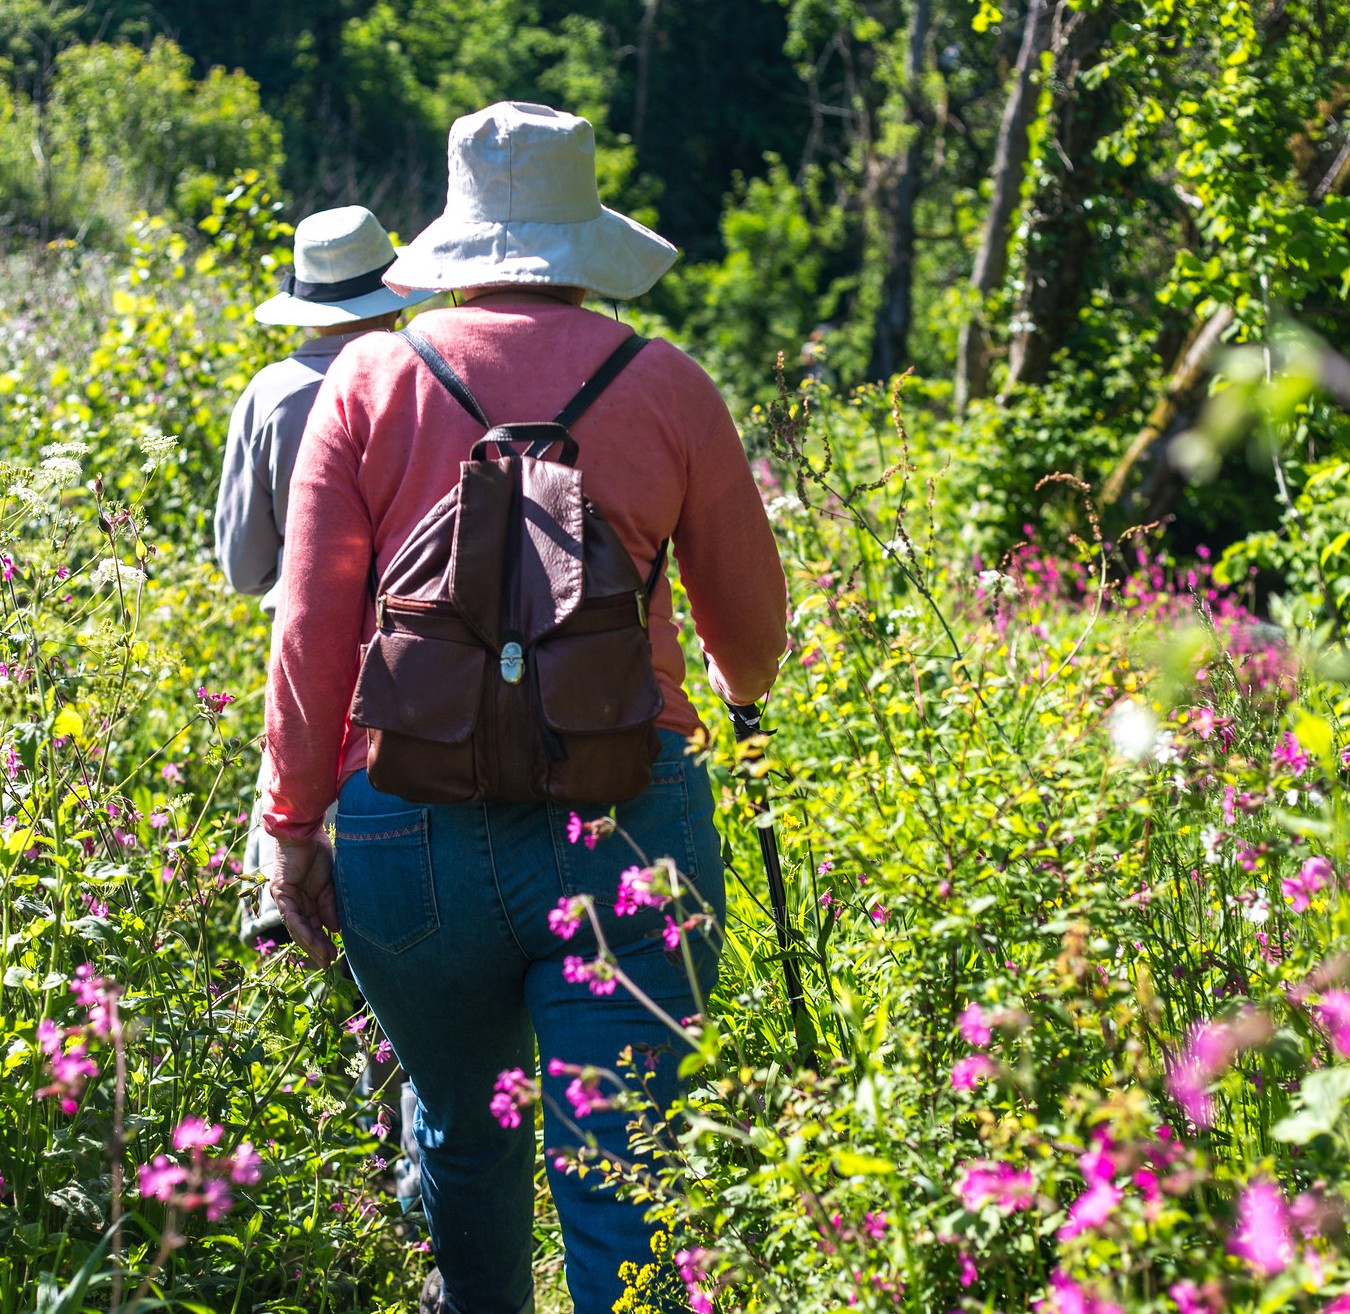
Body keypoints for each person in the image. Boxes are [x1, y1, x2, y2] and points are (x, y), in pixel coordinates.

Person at [262, 102, 787, 1314]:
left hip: (408, 825)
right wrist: (722, 691)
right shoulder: (670, 386)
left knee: (457, 1129)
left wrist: (291, 828)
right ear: (583, 239)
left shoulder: (369, 378)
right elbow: (750, 645)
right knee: (622, 1171)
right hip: (628, 821)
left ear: (453, 238)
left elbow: (310, 634)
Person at [214, 205, 434, 1209]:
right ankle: (412, 1154)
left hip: (307, 679)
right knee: (410, 931)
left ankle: (345, 1160)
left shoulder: (271, 392)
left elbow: (242, 564)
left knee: (310, 912)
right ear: (390, 285)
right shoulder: (429, 378)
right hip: (419, 683)